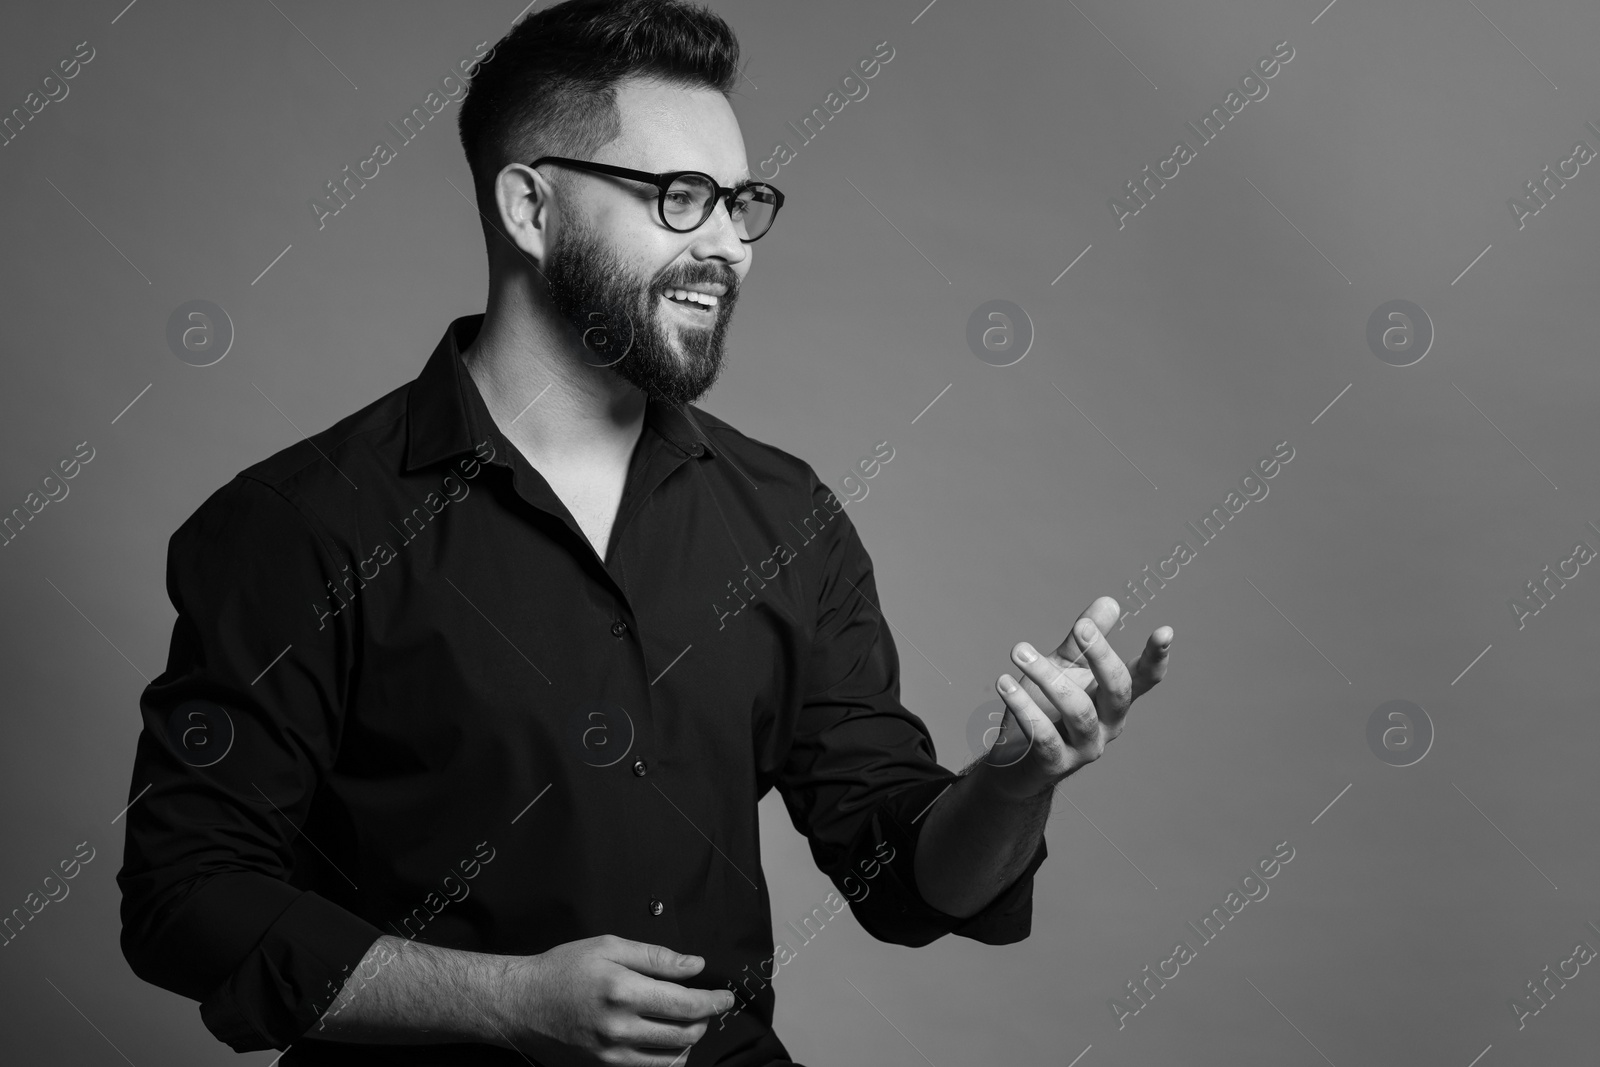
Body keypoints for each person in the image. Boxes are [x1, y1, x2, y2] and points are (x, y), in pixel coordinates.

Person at [116, 2, 1173, 1064]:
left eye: (741, 202)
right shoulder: (302, 524)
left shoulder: (785, 517)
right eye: (679, 198)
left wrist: (1015, 780)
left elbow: (900, 880)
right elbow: (186, 896)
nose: (727, 245)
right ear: (529, 207)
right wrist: (502, 1000)